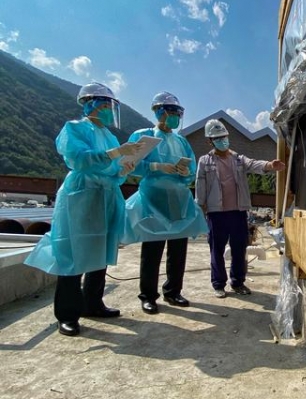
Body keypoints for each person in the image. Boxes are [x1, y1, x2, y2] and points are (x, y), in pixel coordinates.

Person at [24, 82, 141, 336]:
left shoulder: (110, 136)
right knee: (74, 253)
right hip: (81, 194)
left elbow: (112, 171)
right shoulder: (74, 129)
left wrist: (124, 169)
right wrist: (116, 153)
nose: (110, 111)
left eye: (111, 106)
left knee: (100, 249)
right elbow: (80, 159)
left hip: (106, 195)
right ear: (92, 104)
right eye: (106, 105)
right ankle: (67, 314)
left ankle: (93, 303)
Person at [122, 92, 207, 314]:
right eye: (173, 113)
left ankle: (173, 291)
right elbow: (131, 164)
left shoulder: (181, 141)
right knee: (152, 248)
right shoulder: (145, 136)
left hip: (178, 199)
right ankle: (148, 296)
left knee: (178, 249)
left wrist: (184, 171)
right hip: (153, 199)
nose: (176, 118)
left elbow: (191, 171)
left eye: (179, 113)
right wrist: (155, 167)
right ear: (160, 112)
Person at [195, 119, 285, 298]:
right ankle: (218, 284)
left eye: (224, 137)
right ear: (210, 141)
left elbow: (254, 164)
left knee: (239, 249)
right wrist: (201, 208)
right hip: (216, 213)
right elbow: (200, 185)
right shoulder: (205, 161)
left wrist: (270, 165)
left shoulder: (238, 159)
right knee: (217, 249)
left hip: (237, 212)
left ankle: (237, 282)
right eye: (217, 138)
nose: (222, 140)